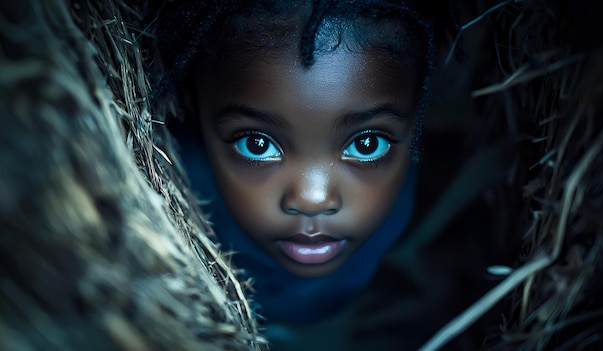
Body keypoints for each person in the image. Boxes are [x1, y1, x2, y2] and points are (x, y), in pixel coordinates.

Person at [154, 0, 451, 347]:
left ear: (417, 122)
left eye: (367, 144)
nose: (312, 199)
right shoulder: (175, 190)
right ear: (192, 109)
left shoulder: (413, 197)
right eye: (257, 144)